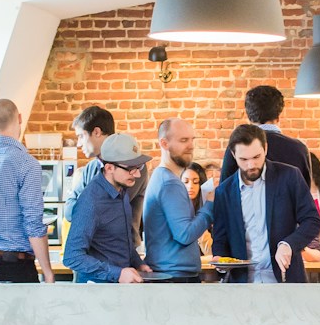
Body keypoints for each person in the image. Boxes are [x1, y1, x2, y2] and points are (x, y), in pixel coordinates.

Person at [209, 124, 320, 284]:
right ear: (233, 155)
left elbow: (312, 221)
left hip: (284, 280)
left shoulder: (290, 177)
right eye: (244, 159)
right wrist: (219, 259)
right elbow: (220, 238)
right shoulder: (224, 192)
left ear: (265, 148)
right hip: (243, 284)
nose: (251, 165)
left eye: (256, 157)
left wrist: (288, 244)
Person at [0, 98, 54, 283]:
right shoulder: (27, 164)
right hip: (15, 266)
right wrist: (48, 272)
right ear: (20, 118)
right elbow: (33, 224)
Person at [62, 133, 152, 284]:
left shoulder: (122, 190)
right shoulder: (91, 202)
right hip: (97, 293)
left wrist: (138, 263)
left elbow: (119, 241)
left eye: (139, 167)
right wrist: (117, 274)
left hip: (119, 290)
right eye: (131, 169)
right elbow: (72, 257)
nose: (137, 174)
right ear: (109, 167)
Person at [143, 119, 213, 282]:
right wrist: (209, 206)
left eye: (192, 139)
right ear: (164, 143)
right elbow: (184, 234)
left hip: (169, 274)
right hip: (174, 278)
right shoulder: (170, 183)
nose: (190, 146)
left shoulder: (162, 177)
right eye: (183, 140)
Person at [64, 105, 146, 243]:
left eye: (81, 136)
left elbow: (107, 209)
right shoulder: (89, 168)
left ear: (96, 132)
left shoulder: (135, 166)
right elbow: (68, 212)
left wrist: (84, 204)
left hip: (122, 253)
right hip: (92, 252)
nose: (78, 144)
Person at [218, 85, 313, 187]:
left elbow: (225, 190)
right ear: (278, 115)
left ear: (249, 116)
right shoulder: (299, 148)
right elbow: (305, 191)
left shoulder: (239, 147)